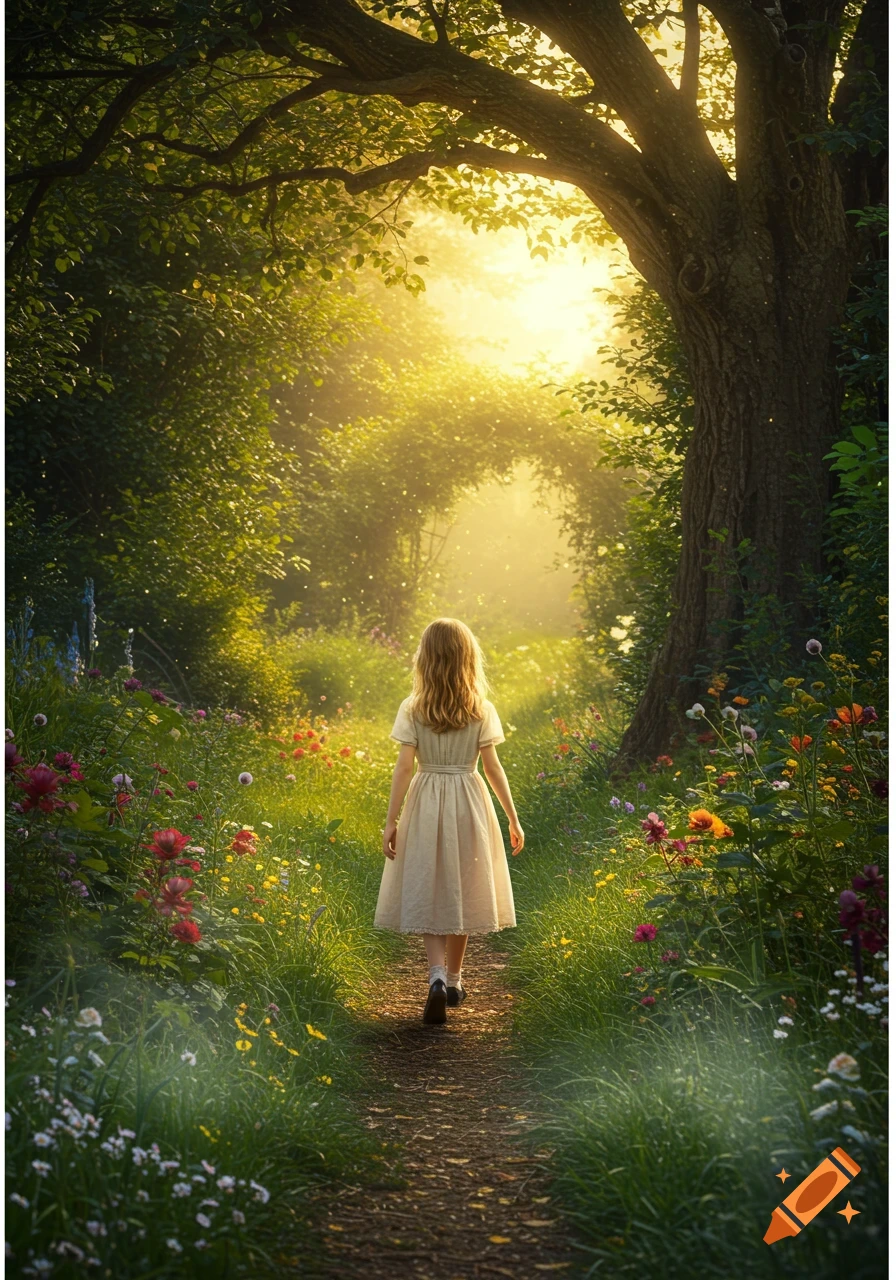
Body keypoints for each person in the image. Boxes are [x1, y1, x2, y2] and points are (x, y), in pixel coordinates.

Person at [375, 618, 524, 1024]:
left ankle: (436, 975)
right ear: (468, 658)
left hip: (425, 799)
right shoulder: (481, 708)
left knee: (429, 881)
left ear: (426, 659)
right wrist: (512, 817)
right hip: (468, 799)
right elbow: (493, 768)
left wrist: (391, 820)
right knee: (465, 884)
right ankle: (456, 980)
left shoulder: (414, 707)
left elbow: (404, 768)